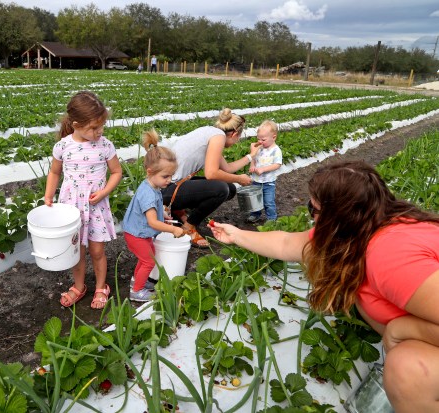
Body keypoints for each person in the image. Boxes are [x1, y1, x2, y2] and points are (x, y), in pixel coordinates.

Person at [209, 160, 439, 413]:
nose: (311, 215)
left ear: (340, 215)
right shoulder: (361, 229)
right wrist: (236, 235)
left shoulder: (390, 256)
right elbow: (287, 244)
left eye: (314, 208)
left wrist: (398, 329)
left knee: (408, 370)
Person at [45, 91, 123, 310]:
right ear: (76, 124)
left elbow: (117, 172)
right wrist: (49, 195)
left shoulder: (105, 145)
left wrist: (104, 192)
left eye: (101, 127)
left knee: (97, 251)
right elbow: (54, 173)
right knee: (77, 250)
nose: (99, 132)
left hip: (95, 205)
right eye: (93, 128)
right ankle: (79, 286)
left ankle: (100, 287)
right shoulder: (63, 146)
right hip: (72, 208)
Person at [161, 108, 259, 248]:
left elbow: (227, 168)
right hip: (166, 190)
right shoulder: (218, 137)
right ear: (235, 134)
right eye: (238, 138)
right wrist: (238, 179)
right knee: (221, 189)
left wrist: (251, 156)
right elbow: (211, 173)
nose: (237, 142)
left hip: (169, 186)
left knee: (229, 188)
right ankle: (188, 227)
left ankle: (178, 211)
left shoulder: (210, 132)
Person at [122, 130, 185, 302]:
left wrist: (163, 214)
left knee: (147, 257)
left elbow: (154, 213)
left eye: (171, 175)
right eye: (165, 176)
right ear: (150, 171)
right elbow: (152, 222)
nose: (169, 180)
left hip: (140, 231)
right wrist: (173, 229)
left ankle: (137, 281)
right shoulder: (148, 193)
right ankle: (137, 291)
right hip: (137, 234)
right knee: (149, 261)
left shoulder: (152, 186)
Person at [247, 120, 282, 223]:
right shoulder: (259, 148)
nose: (260, 141)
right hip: (256, 180)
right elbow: (253, 158)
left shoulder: (276, 150)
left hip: (268, 182)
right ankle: (255, 214)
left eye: (263, 139)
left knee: (268, 202)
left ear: (274, 137)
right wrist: (252, 166)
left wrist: (263, 169)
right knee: (255, 199)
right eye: (258, 139)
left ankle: (271, 218)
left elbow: (277, 164)